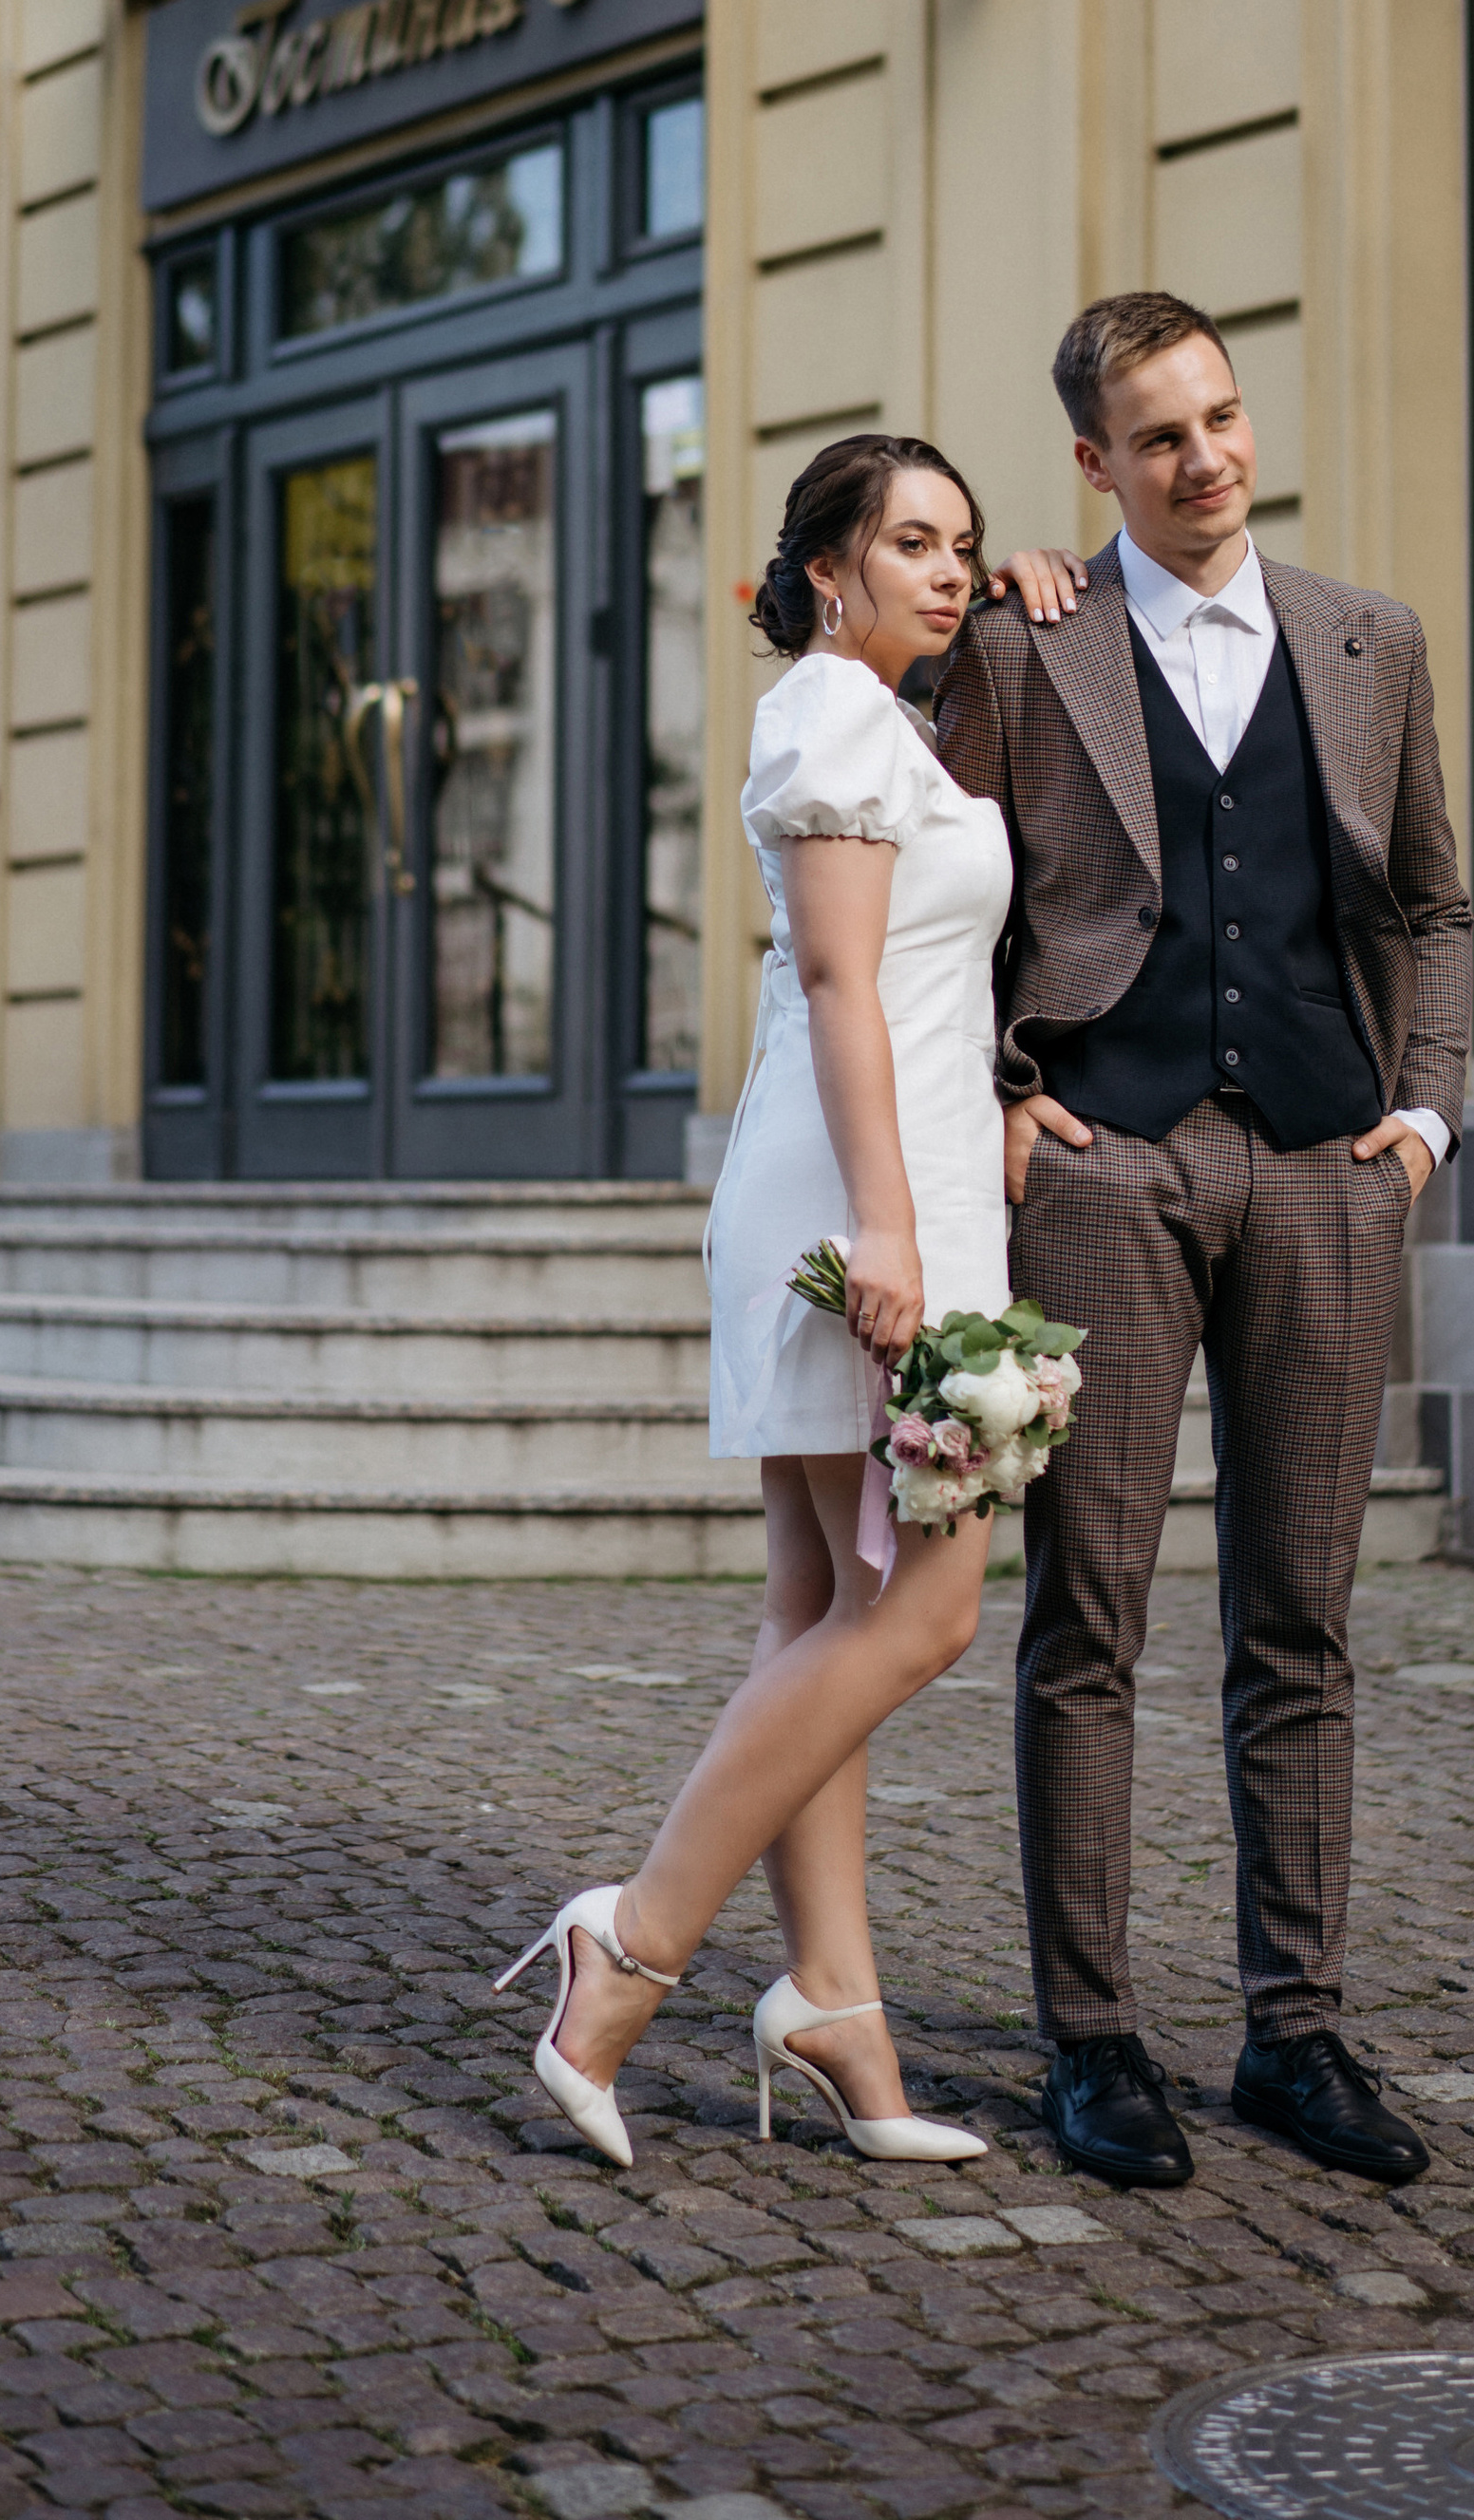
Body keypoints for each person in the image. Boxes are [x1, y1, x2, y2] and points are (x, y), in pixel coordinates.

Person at [936, 290, 1472, 2193]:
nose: (1204, 458)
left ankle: (1294, 2031)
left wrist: (1418, 1115)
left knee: (1299, 1618)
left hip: (1329, 1162)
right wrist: (1000, 1084)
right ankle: (1091, 2043)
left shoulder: (1365, 639)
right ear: (1091, 460)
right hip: (1109, 1170)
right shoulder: (1022, 645)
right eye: (1155, 434)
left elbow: (1431, 895)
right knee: (1088, 1617)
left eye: (1221, 416)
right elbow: (940, 893)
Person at [495, 434, 1009, 2171]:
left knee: (830, 1600)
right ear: (825, 572)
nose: (948, 569)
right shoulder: (839, 718)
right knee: (927, 1609)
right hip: (865, 1208)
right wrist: (891, 1235)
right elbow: (851, 984)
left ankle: (840, 2005)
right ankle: (630, 1942)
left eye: (967, 543)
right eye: (912, 543)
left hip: (877, 1186)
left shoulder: (878, 714)